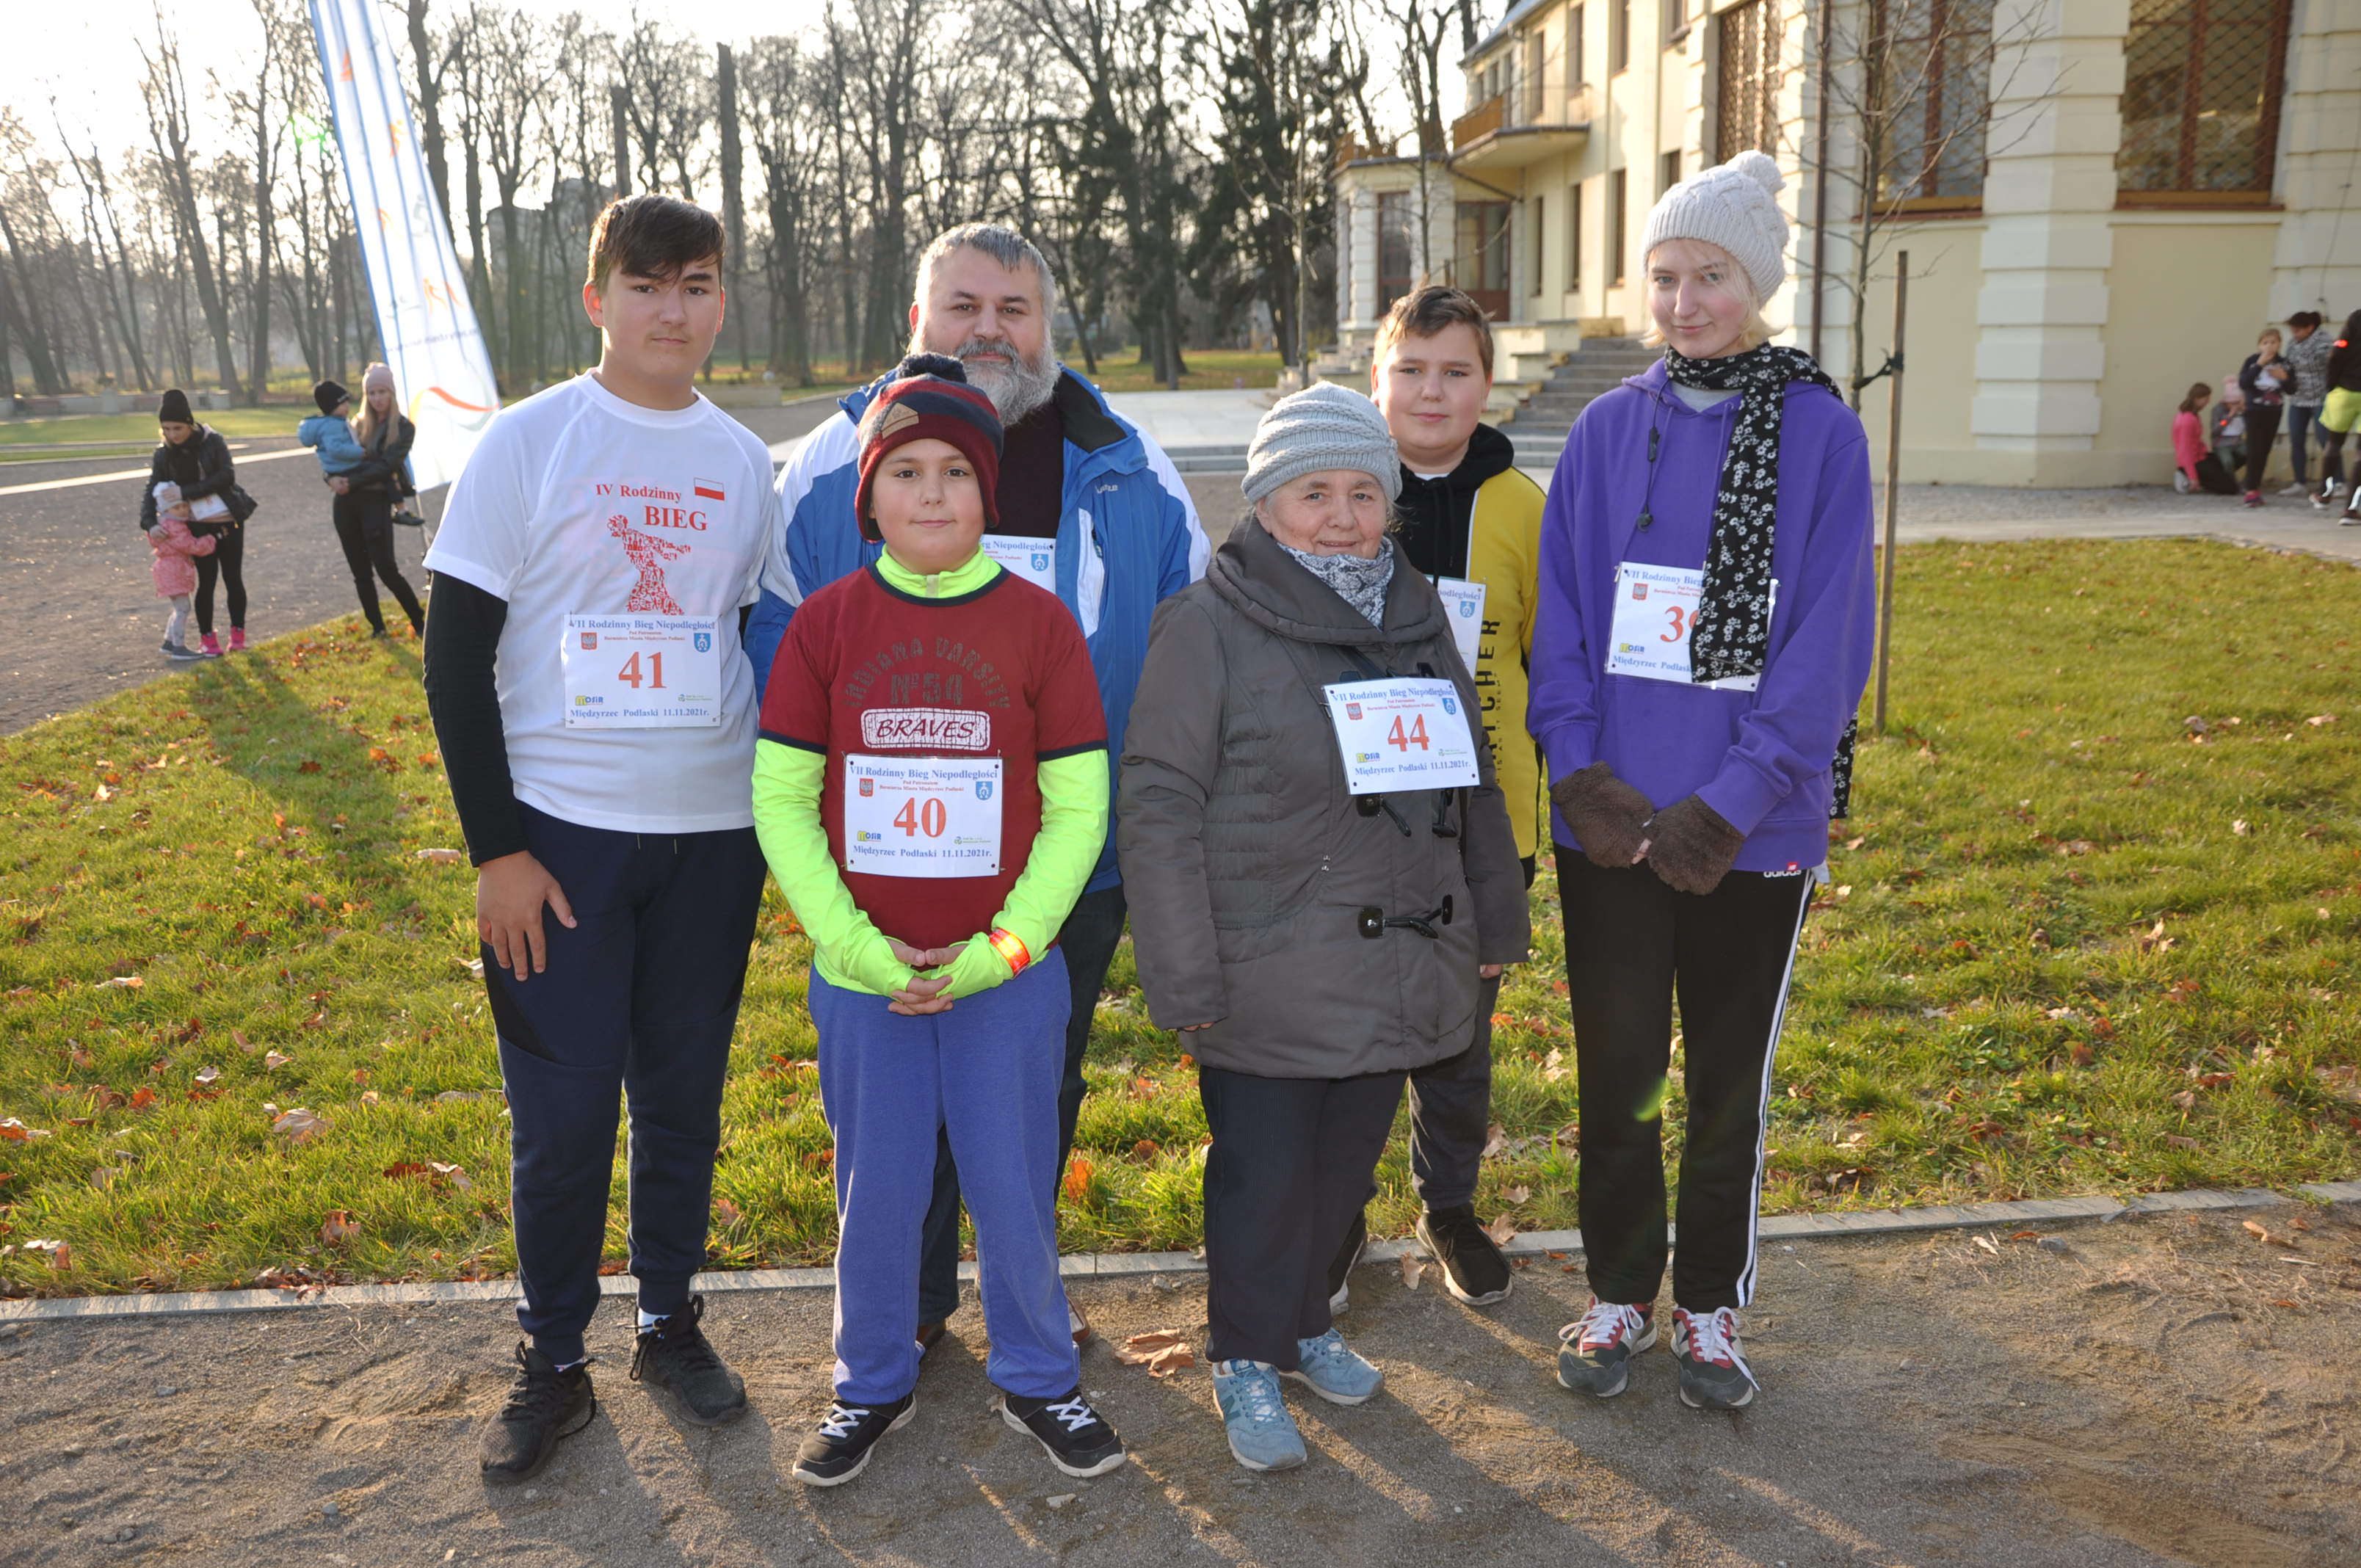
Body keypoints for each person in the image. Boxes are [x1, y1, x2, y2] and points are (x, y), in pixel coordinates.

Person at [748, 222, 1208, 1355]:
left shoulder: (1129, 461)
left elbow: (1191, 635)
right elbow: (775, 633)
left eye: (1014, 310)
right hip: (883, 876)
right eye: (964, 307)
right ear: (920, 321)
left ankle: (1024, 1295)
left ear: (1047, 325)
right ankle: (904, 1308)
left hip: (1069, 864)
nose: (989, 331)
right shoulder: (827, 462)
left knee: (1033, 1091)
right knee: (894, 1107)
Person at [420, 194, 780, 1484]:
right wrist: (496, 850)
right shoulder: (528, 444)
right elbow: (453, 664)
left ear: (718, 301)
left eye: (694, 285)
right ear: (597, 301)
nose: (671, 310)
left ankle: (669, 1320)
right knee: (564, 1116)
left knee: (682, 1099)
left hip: (711, 835)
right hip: (559, 843)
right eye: (645, 286)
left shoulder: (744, 463)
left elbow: (754, 638)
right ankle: (552, 1358)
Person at [1120, 382, 1530, 1471]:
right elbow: (1156, 807)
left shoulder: (1415, 610)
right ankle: (1243, 1360)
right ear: (1265, 502)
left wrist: (1495, 912)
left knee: (1345, 1168)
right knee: (1262, 1175)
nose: (1344, 516)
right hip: (1263, 964)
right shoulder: (1206, 626)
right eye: (1315, 492)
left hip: (1398, 961)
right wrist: (1184, 978)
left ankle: (1304, 1325)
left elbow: (1472, 778)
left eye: (1365, 491)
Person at [1529, 150, 1872, 1413]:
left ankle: (1712, 1309)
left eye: (1710, 276)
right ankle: (1619, 1290)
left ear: (1757, 286)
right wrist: (1583, 776)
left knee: (1727, 1083)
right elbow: (1560, 618)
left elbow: (1828, 638)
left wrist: (1733, 799)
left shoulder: (1823, 435)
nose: (1684, 301)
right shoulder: (1606, 432)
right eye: (1665, 275)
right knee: (1618, 1074)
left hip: (1751, 825)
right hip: (1614, 826)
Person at [753, 353, 1127, 1489]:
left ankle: (1038, 1375)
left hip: (1004, 976)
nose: (929, 493)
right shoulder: (824, 626)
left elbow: (1078, 805)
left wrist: (1005, 949)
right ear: (867, 492)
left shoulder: (1040, 625)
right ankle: (870, 1380)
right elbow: (779, 797)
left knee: (1014, 1178)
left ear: (989, 493)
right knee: (879, 1186)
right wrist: (854, 948)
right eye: (904, 471)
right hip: (866, 976)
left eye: (954, 474)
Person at [1323, 283, 1545, 1313]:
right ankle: (1333, 1216)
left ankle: (1448, 1204)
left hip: (1482, 821)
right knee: (1350, 1027)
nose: (1431, 390)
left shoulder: (1525, 510)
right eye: (1410, 369)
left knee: (1460, 1029)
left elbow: (1557, 659)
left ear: (1488, 387)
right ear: (1378, 380)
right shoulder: (1336, 493)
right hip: (1349, 816)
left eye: (1456, 371)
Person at [138, 389, 253, 656]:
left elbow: (226, 476)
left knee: (233, 578)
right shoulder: (163, 455)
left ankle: (238, 634)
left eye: (178, 428)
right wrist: (148, 523)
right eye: (166, 429)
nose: (172, 434)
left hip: (228, 520)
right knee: (206, 582)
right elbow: (150, 491)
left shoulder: (213, 442)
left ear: (190, 423)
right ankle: (207, 638)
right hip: (197, 527)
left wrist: (184, 492)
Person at [325, 364, 427, 638]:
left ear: (392, 393)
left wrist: (351, 481)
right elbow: (331, 456)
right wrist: (330, 478)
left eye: (382, 392)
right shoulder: (355, 425)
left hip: (376, 502)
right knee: (360, 572)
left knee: (386, 569)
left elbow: (387, 465)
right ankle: (377, 627)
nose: (377, 398)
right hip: (345, 503)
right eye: (371, 393)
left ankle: (419, 622)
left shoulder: (404, 428)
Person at [145, 483, 216, 660]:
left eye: (184, 506)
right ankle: (179, 646)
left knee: (179, 608)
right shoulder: (175, 527)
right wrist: (210, 540)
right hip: (174, 570)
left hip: (169, 569)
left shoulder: (165, 525)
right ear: (166, 509)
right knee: (183, 609)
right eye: (177, 507)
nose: (183, 510)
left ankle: (169, 642)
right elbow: (189, 545)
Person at [2311, 310, 2361, 522]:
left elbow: (2338, 350)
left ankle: (2325, 494)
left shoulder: (2356, 318)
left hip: (2345, 391)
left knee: (2333, 444)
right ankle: (2351, 509)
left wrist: (2331, 385)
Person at [2235, 329, 2293, 507]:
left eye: (2274, 342)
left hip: (2274, 411)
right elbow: (2244, 383)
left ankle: (2255, 487)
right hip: (2254, 410)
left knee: (2264, 450)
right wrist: (2259, 365)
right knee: (2254, 449)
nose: (2270, 346)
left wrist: (2284, 378)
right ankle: (2250, 490)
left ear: (2279, 344)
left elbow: (2292, 389)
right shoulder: (2252, 361)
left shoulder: (2284, 363)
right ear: (2260, 345)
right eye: (2266, 343)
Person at [2282, 311, 2331, 497]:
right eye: (2293, 331)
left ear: (2310, 327)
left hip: (2320, 398)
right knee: (2297, 440)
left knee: (2325, 440)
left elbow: (2326, 363)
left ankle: (2336, 482)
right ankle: (2299, 481)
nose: (2294, 335)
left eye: (2297, 330)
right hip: (2298, 399)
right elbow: (2289, 365)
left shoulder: (2324, 342)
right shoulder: (2293, 344)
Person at [2173, 382, 2238, 496]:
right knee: (2230, 488)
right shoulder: (2188, 420)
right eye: (2206, 398)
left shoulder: (2194, 415)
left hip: (2202, 455)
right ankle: (2188, 477)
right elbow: (2186, 450)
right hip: (2195, 461)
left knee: (2232, 459)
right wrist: (2227, 419)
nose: (2208, 401)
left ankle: (2206, 479)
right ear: (2197, 399)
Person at [298, 380, 369, 479]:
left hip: (343, 466)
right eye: (342, 403)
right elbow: (336, 449)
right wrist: (360, 452)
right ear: (331, 406)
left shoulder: (338, 421)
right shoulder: (331, 426)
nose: (347, 406)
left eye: (347, 402)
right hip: (344, 468)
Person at [2209, 380, 2247, 477]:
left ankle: (2249, 482)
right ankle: (2231, 482)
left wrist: (2246, 413)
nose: (2235, 406)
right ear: (2226, 403)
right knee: (2228, 462)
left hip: (2238, 442)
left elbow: (2248, 428)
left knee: (2253, 454)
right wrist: (2229, 417)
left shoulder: (2241, 411)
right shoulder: (2218, 410)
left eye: (2237, 403)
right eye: (2232, 403)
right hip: (2222, 444)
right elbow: (2215, 430)